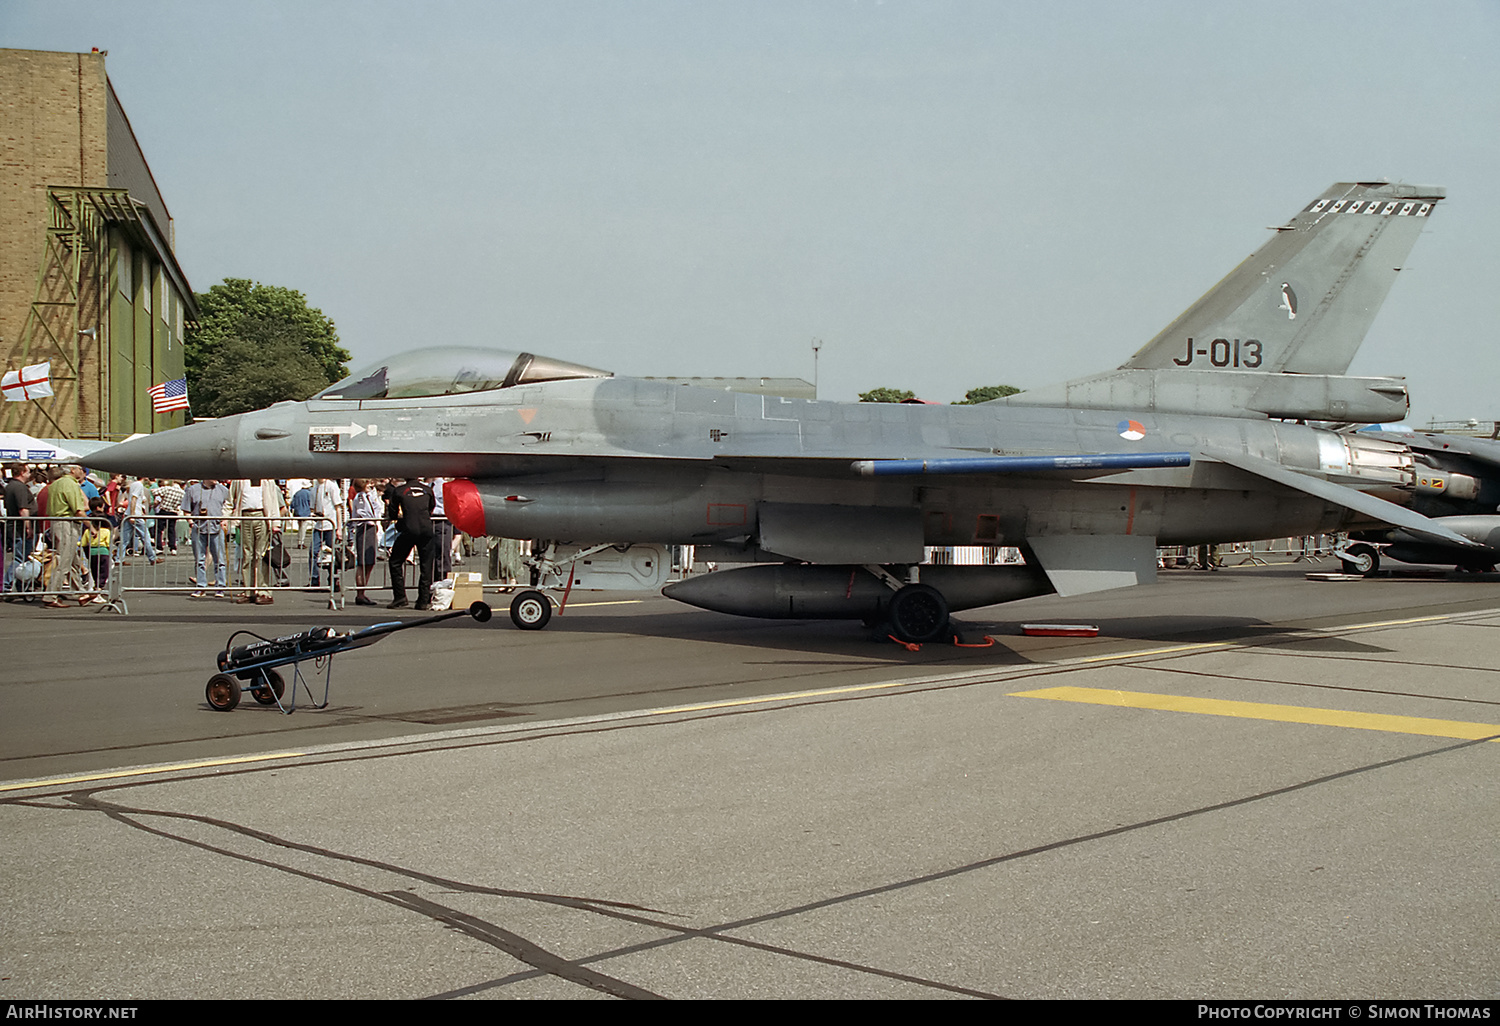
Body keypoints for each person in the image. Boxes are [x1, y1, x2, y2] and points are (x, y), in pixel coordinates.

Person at [229, 478, 286, 604]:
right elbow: (229, 500)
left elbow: (273, 502)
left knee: (261, 555)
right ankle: (249, 591)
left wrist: (275, 522)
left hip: (261, 515)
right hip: (244, 515)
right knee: (247, 555)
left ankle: (263, 592)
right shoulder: (239, 480)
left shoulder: (267, 480)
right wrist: (226, 518)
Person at [383, 477, 436, 610]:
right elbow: (431, 507)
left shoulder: (399, 491)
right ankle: (423, 600)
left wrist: (399, 521)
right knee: (426, 565)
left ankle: (400, 596)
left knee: (395, 562)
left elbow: (393, 511)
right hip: (426, 529)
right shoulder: (427, 490)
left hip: (409, 529)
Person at [44, 464, 90, 607]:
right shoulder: (69, 484)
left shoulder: (55, 484)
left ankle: (82, 593)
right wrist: (92, 527)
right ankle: (50, 595)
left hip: (57, 523)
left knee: (71, 560)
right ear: (72, 470)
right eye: (79, 469)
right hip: (66, 524)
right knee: (64, 561)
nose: (81, 472)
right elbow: (79, 509)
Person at [182, 478, 230, 597]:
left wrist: (225, 519)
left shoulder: (223, 490)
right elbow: (186, 509)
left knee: (219, 559)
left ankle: (220, 587)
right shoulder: (192, 490)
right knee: (200, 559)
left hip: (216, 527)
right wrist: (190, 522)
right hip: (198, 528)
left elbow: (228, 506)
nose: (216, 479)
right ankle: (201, 586)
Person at [349, 478, 384, 606]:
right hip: (365, 527)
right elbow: (369, 512)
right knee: (364, 562)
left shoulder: (367, 496)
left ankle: (362, 591)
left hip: (369, 527)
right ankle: (360, 593)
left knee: (369, 562)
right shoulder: (362, 497)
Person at [4, 463, 37, 594]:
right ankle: (7, 585)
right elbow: (23, 509)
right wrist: (28, 526)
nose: (30, 474)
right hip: (20, 528)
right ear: (22, 473)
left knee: (21, 557)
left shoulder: (10, 486)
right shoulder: (19, 487)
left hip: (15, 526)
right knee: (20, 557)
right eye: (28, 472)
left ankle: (19, 585)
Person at [309, 477, 345, 588]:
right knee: (312, 552)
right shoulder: (313, 489)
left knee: (332, 554)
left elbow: (338, 507)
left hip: (331, 525)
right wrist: (314, 515)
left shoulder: (331, 486)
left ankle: (333, 579)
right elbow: (312, 509)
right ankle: (314, 579)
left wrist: (339, 528)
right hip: (319, 525)